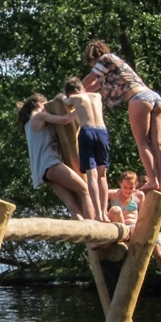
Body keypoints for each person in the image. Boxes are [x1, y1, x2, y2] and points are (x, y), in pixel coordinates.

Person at [81, 39, 161, 193]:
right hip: (154, 97)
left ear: (93, 59)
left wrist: (72, 91)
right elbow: (94, 86)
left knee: (143, 143)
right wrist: (82, 92)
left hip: (138, 99)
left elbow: (89, 80)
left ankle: (153, 180)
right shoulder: (115, 67)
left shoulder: (105, 59)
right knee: (158, 143)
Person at [17, 93, 95, 220]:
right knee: (85, 191)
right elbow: (66, 120)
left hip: (43, 173)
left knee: (72, 205)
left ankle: (86, 237)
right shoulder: (39, 115)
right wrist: (81, 108)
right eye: (46, 104)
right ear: (39, 104)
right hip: (51, 164)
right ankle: (94, 232)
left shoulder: (29, 124)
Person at [107, 171, 161, 294]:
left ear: (136, 185)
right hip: (122, 227)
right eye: (125, 187)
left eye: (131, 187)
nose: (128, 190)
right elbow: (100, 194)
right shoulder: (113, 194)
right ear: (120, 184)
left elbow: (142, 215)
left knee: (157, 251)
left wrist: (146, 229)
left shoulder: (139, 195)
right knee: (131, 233)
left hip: (136, 226)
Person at [58, 76, 111, 222]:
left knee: (91, 175)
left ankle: (98, 214)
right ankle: (105, 213)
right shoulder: (97, 96)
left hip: (87, 131)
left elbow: (65, 102)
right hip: (102, 132)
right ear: (82, 88)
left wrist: (62, 97)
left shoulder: (74, 98)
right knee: (102, 175)